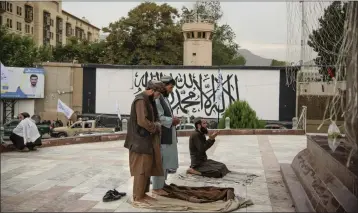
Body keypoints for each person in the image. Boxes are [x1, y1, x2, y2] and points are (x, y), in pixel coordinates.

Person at [124, 80, 166, 204]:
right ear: (152, 91)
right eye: (158, 94)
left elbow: (154, 118)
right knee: (140, 170)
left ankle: (143, 193)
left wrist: (156, 125)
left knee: (147, 168)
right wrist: (155, 127)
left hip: (147, 141)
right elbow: (142, 121)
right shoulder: (141, 100)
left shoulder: (149, 100)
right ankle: (138, 196)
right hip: (139, 141)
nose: (158, 97)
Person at [151, 76, 180, 196]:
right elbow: (160, 118)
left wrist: (173, 119)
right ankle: (157, 188)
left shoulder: (164, 98)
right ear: (163, 87)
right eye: (170, 87)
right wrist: (172, 121)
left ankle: (162, 184)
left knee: (166, 162)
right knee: (161, 162)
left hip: (168, 134)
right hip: (162, 135)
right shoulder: (158, 99)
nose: (171, 90)